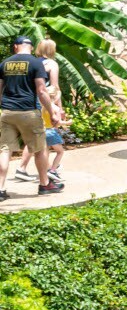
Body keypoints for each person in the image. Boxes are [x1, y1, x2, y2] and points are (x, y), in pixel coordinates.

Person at [0, 35, 65, 196]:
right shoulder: (36, 63)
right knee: (40, 148)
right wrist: (53, 113)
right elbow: (42, 91)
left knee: (5, 150)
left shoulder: (5, 63)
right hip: (28, 112)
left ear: (16, 46)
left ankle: (0, 189)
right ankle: (44, 185)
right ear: (30, 47)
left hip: (7, 112)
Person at [20, 41, 64, 184]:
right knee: (43, 137)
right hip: (43, 101)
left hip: (28, 102)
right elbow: (54, 87)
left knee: (34, 136)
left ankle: (22, 168)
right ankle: (47, 175)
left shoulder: (32, 62)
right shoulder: (51, 63)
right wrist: (58, 108)